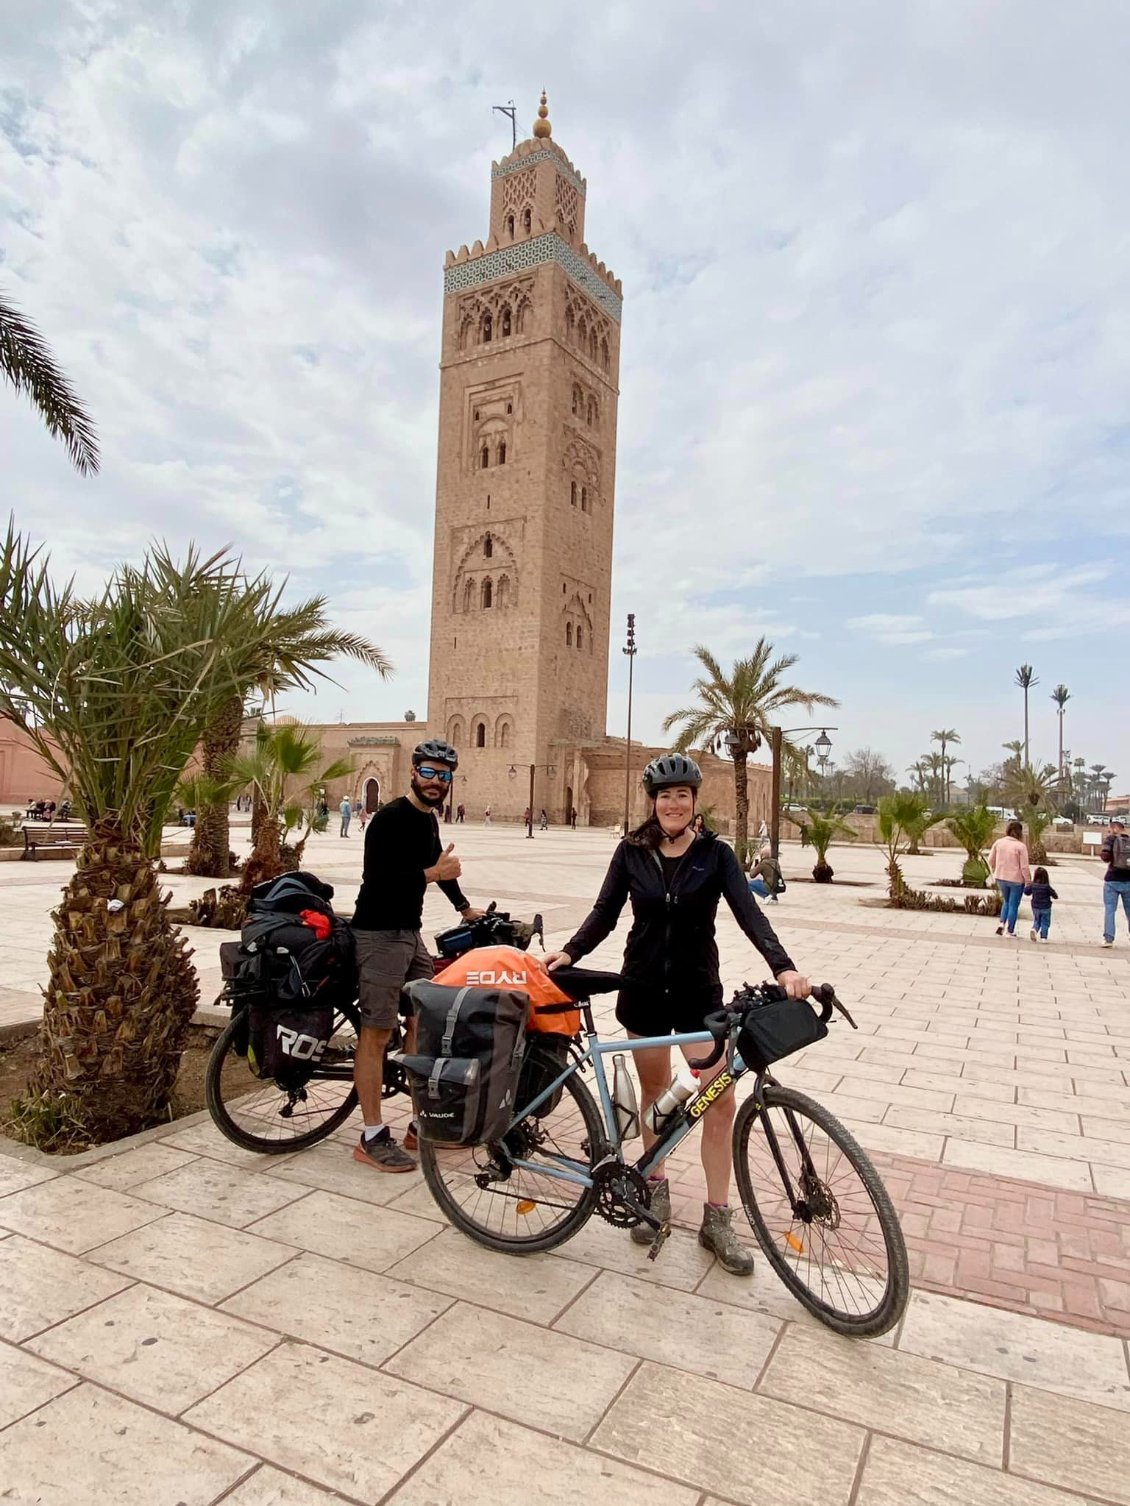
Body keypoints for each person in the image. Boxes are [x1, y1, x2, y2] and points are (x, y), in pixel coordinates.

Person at [544, 753, 810, 1276]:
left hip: (697, 994)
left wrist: (784, 968)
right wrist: (570, 952)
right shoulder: (631, 851)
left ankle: (717, 1217)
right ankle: (654, 1190)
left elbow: (749, 914)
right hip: (642, 987)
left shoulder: (717, 855)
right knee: (655, 1095)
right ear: (653, 802)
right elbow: (604, 911)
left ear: (694, 801)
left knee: (720, 1099)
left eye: (681, 795)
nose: (672, 804)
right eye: (664, 796)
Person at [350, 739, 484, 1170]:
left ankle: (418, 1122)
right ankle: (371, 1135)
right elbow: (382, 880)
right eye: (428, 773)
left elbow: (438, 866)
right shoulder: (388, 819)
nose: (435, 782)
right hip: (379, 935)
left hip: (409, 934)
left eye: (443, 776)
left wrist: (465, 908)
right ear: (412, 772)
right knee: (375, 1031)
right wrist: (434, 873)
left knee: (422, 1022)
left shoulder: (428, 822)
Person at [989, 819, 1030, 937]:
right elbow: (1024, 867)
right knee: (1013, 905)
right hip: (1016, 880)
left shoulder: (999, 842)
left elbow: (991, 859)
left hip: (1000, 877)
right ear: (1020, 833)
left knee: (1006, 902)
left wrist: (995, 869)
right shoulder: (1021, 847)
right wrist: (1028, 881)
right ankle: (1010, 930)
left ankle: (1001, 923)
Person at [1100, 816, 1130, 947]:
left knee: (1110, 909)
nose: (1108, 832)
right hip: (1128, 881)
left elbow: (1105, 857)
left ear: (1115, 828)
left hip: (1112, 880)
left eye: (1109, 830)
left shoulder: (1111, 839)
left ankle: (1109, 939)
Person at [1024, 866, 1057, 943]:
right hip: (1046, 907)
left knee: (1037, 920)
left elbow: (1026, 892)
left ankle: (1034, 929)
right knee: (1045, 922)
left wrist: (1028, 885)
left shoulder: (1033, 885)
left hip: (1035, 907)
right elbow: (1054, 894)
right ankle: (1043, 937)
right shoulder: (1047, 886)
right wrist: (1055, 896)